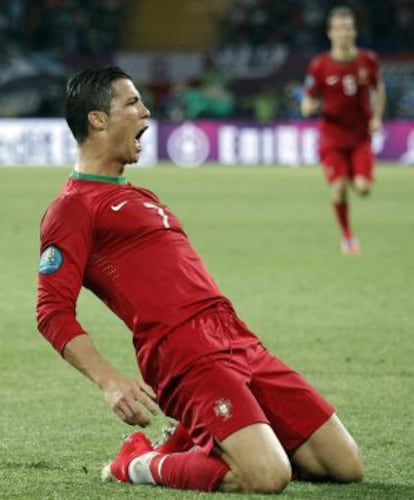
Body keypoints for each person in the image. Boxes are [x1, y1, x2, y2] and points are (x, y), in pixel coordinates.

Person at [36, 65, 364, 493]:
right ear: (97, 119)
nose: (146, 111)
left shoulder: (140, 195)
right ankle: (137, 463)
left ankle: (198, 438)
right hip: (183, 349)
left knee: (344, 466)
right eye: (132, 102)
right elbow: (51, 312)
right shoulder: (72, 208)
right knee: (267, 476)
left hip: (236, 336)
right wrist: (110, 380)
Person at [301, 6, 385, 254]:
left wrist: (377, 116)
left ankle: (356, 174)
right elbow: (308, 96)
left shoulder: (368, 61)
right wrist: (308, 107)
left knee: (363, 189)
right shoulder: (320, 65)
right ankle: (348, 237)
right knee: (338, 187)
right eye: (339, 29)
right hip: (332, 137)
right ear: (330, 33)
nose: (344, 33)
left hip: (360, 136)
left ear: (354, 31)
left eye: (348, 28)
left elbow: (378, 89)